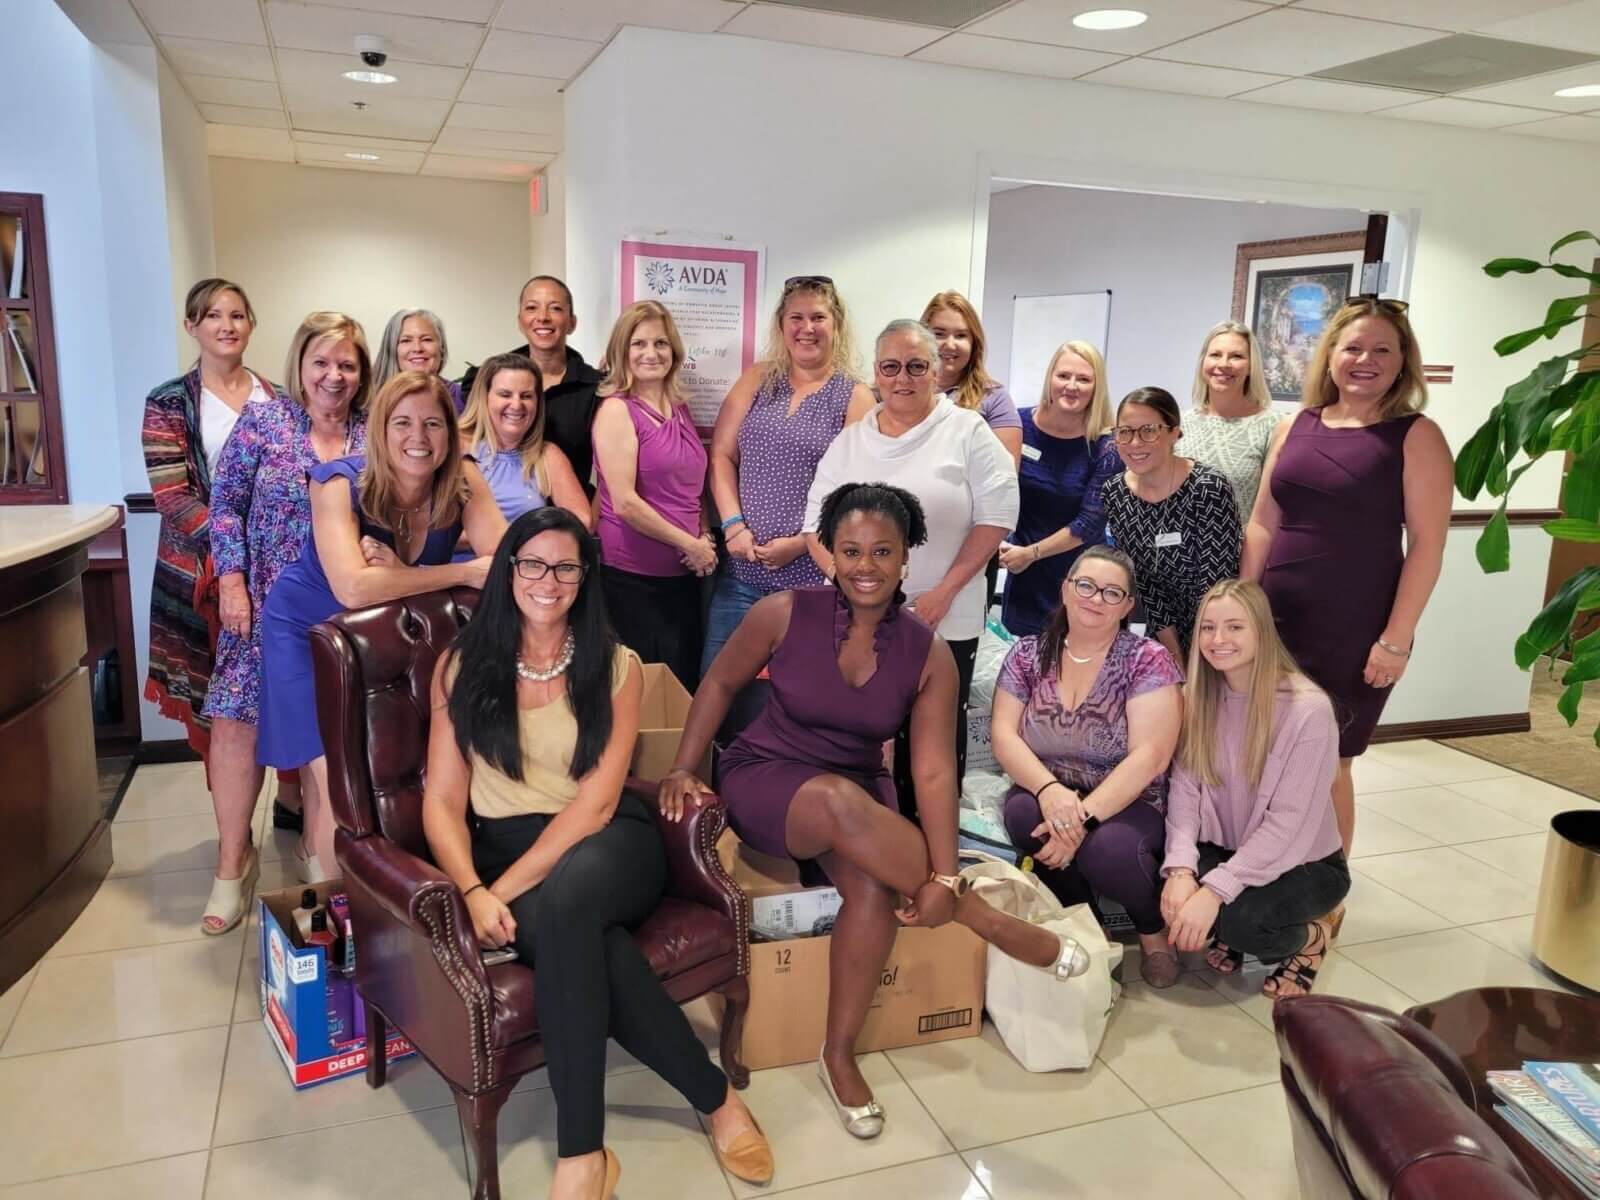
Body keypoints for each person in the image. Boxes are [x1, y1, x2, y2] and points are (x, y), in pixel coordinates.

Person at [661, 483, 1089, 1140]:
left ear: (905, 560)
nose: (866, 565)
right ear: (830, 552)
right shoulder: (781, 611)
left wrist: (944, 874)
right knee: (838, 802)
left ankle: (838, 1055)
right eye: (852, 550)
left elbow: (934, 770)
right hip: (769, 778)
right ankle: (986, 919)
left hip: (859, 794)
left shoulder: (929, 653)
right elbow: (719, 681)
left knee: (867, 886)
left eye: (882, 552)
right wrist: (686, 766)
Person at [423, 508, 773, 1200]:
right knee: (585, 939)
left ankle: (579, 1155)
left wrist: (501, 891)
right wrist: (469, 887)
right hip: (505, 849)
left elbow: (597, 805)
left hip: (609, 843)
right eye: (532, 564)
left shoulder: (616, 666)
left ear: (585, 579)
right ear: (509, 571)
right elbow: (440, 802)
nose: (547, 581)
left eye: (565, 567)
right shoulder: (461, 665)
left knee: (567, 902)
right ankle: (717, 1099)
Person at [256, 372, 507, 878]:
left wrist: (400, 575)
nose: (419, 437)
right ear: (380, 430)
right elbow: (352, 588)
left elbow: (505, 562)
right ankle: (336, 913)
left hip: (386, 641)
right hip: (307, 631)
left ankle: (351, 882)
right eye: (403, 423)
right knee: (334, 780)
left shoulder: (463, 478)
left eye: (433, 423)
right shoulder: (336, 481)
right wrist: (453, 573)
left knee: (381, 774)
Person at [1243, 298, 1451, 856]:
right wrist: (1242, 607)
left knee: (1330, 760)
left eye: (1383, 349)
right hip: (1276, 620)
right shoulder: (1295, 425)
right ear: (1330, 354)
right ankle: (1265, 876)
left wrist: (1396, 639)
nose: (1366, 359)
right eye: (1353, 346)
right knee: (1263, 752)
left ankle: (1326, 898)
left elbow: (1427, 547)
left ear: (1403, 361)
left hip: (1355, 629)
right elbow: (1264, 522)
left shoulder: (1416, 435)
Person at [202, 311, 372, 928]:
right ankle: (231, 862)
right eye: (321, 362)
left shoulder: (372, 433)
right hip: (263, 604)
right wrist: (232, 580)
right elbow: (225, 508)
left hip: (341, 612)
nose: (334, 375)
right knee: (236, 725)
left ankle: (315, 848)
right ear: (300, 365)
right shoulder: (266, 422)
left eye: (347, 364)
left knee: (330, 734)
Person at [804, 320, 1018, 795]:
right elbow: (815, 527)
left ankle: (933, 851)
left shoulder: (967, 431)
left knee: (932, 742)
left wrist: (943, 593)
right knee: (859, 738)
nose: (903, 378)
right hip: (858, 620)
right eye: (891, 367)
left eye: (917, 366)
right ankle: (864, 843)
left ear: (937, 370)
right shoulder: (852, 442)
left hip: (946, 614)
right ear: (876, 374)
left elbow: (998, 516)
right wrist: (855, 595)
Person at [991, 546, 1186, 988]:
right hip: (1051, 785)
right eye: (1086, 586)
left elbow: (1150, 756)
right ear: (1065, 589)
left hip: (1130, 796)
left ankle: (1153, 933)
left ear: (1128, 606)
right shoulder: (1027, 654)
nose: (1095, 599)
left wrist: (1079, 818)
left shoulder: (1146, 660)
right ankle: (1085, 922)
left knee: (1109, 849)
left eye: (1111, 592)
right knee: (1023, 814)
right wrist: (1048, 791)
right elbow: (1004, 735)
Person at [1161, 580, 1348, 997]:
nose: (1218, 639)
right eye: (1208, 628)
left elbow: (1288, 824)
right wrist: (1180, 870)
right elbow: (1185, 793)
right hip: (1229, 848)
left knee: (1242, 923)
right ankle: (1226, 915)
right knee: (1168, 888)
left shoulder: (1308, 709)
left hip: (1305, 863)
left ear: (1262, 632)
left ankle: (1313, 938)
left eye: (1234, 627)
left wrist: (1213, 891)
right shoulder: (1197, 697)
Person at [703, 275, 873, 674]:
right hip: (741, 575)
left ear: (837, 325)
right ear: (782, 325)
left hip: (810, 581)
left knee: (794, 696)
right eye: (797, 317)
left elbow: (856, 495)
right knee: (717, 688)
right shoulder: (758, 379)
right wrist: (732, 526)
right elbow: (722, 455)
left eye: (818, 317)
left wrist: (800, 543)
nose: (807, 328)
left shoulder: (855, 396)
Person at [142, 279, 275, 758]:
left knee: (283, 688)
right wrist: (234, 549)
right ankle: (233, 825)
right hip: (207, 570)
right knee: (224, 704)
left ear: (251, 325)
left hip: (276, 565)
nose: (227, 325)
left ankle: (290, 799)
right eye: (213, 316)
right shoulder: (169, 401)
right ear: (191, 326)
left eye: (237, 315)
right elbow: (172, 497)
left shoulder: (277, 398)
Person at [592, 302, 713, 689]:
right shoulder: (616, 411)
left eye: (660, 343)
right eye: (638, 343)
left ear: (674, 351)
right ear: (621, 352)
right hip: (633, 580)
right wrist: (690, 544)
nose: (651, 353)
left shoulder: (678, 408)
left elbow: (695, 487)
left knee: (680, 689)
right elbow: (625, 503)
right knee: (638, 695)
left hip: (682, 578)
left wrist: (705, 537)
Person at [1101, 386, 1241, 663]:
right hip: (1164, 631)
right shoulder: (1115, 494)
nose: (1135, 443)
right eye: (1125, 432)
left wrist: (1201, 656)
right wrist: (1174, 654)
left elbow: (1219, 584)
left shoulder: (1208, 487)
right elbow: (1145, 583)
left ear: (1174, 432)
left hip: (1220, 628)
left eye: (1149, 430)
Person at [996, 341, 1119, 637]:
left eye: (1084, 379)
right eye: (1063, 376)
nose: (1071, 386)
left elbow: (1089, 523)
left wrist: (1031, 553)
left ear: (1096, 387)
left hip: (1080, 578)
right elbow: (997, 491)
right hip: (1022, 575)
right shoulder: (1017, 424)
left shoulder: (1106, 445)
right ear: (1050, 378)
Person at [459, 276, 603, 495]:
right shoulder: (484, 379)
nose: (543, 317)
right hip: (497, 513)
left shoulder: (597, 388)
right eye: (532, 308)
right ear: (520, 320)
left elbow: (609, 471)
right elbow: (465, 442)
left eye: (555, 308)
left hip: (565, 518)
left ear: (572, 323)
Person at [456, 350, 589, 532]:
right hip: (462, 560)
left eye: (526, 396)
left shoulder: (546, 454)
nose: (517, 405)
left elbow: (582, 522)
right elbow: (428, 530)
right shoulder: (455, 447)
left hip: (526, 558)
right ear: (484, 397)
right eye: (505, 394)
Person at [1181, 321, 1281, 524]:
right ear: (1203, 362)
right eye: (1215, 354)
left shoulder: (1274, 427)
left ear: (1251, 366)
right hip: (1177, 552)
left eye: (1236, 356)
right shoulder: (1179, 423)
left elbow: (1271, 516)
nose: (1224, 364)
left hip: (1240, 552)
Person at [921, 291, 1022, 464]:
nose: (950, 344)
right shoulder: (900, 390)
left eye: (961, 335)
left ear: (974, 343)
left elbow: (1005, 478)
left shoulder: (995, 398)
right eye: (939, 334)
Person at [372, 308, 462, 411]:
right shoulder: (370, 399)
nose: (417, 348)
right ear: (392, 349)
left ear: (441, 348)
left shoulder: (464, 399)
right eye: (406, 340)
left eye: (427, 339)